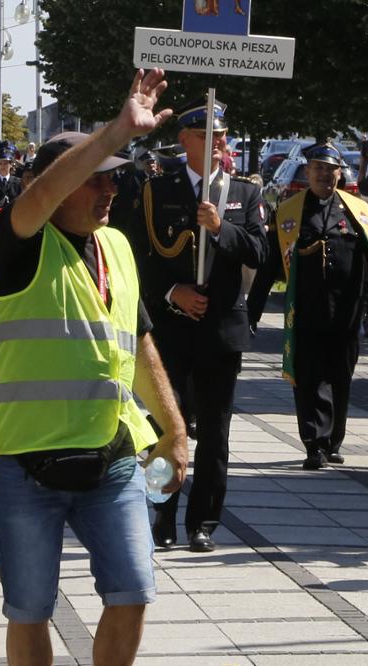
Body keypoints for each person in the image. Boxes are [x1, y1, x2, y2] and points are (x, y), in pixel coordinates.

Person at [0, 71, 190, 666]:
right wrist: (116, 130)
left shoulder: (117, 247)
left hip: (113, 458)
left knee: (133, 593)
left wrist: (173, 430)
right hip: (29, 464)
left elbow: (139, 341)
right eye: (94, 180)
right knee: (30, 611)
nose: (109, 192)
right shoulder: (17, 244)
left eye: (114, 179)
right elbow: (39, 200)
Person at [127, 98, 266, 553]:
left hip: (221, 330)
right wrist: (172, 294)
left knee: (215, 434)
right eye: (207, 136)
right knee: (169, 426)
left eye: (222, 136)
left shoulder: (244, 193)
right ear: (185, 140)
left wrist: (223, 228)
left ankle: (202, 521)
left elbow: (262, 255)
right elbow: (137, 258)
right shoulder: (157, 189)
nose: (217, 143)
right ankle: (162, 513)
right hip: (171, 328)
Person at [249, 145, 368, 470]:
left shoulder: (357, 211)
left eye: (330, 170)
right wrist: (252, 314)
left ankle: (333, 441)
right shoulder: (289, 212)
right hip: (306, 313)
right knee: (309, 380)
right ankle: (313, 443)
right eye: (317, 169)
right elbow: (270, 265)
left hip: (346, 313)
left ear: (339, 174)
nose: (324, 175)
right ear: (307, 171)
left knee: (340, 377)